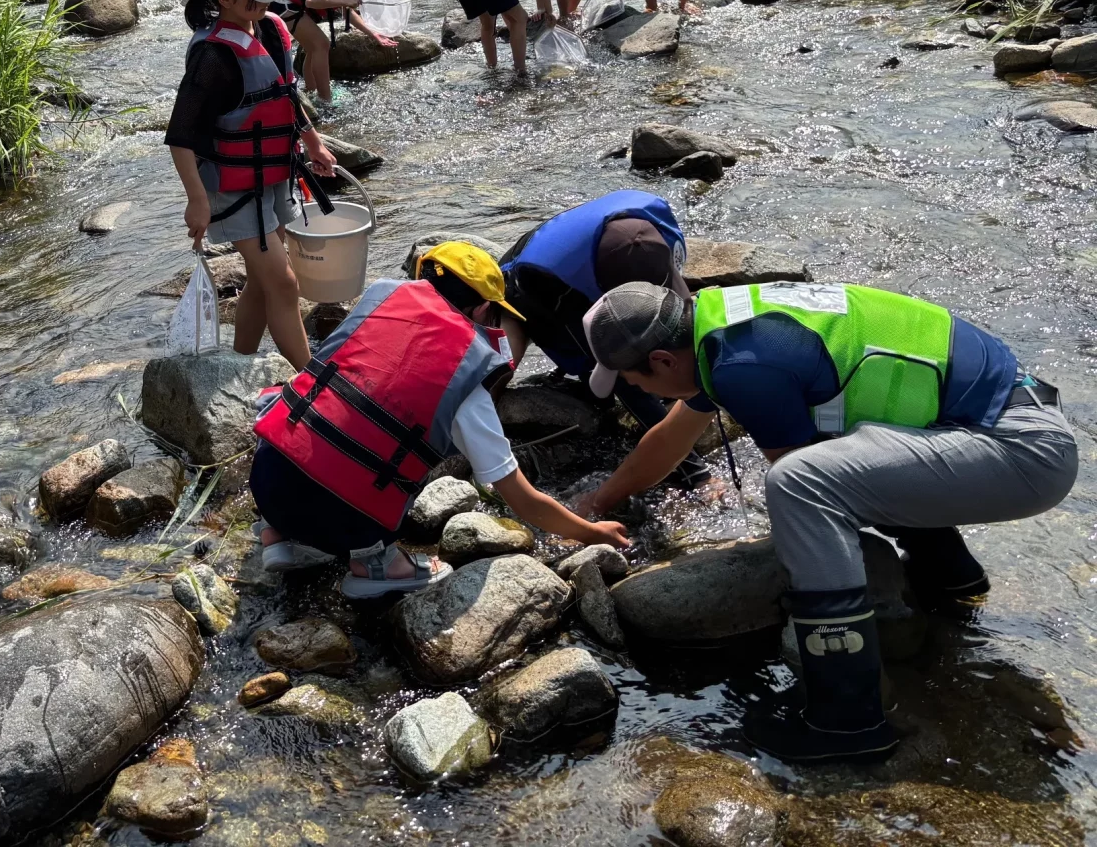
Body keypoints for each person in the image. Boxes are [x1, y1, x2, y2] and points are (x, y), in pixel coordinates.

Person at [577, 279, 1077, 763]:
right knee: (839, 466)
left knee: (800, 483)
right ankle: (952, 579)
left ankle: (847, 717)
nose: (642, 390)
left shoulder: (743, 364)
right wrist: (599, 503)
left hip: (1021, 452)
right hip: (1008, 420)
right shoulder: (723, 325)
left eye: (636, 380)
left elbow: (810, 487)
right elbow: (671, 438)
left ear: (663, 360)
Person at [253, 241, 631, 599]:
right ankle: (375, 565)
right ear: (483, 311)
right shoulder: (464, 383)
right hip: (347, 523)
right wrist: (590, 532)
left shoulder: (376, 307)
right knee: (396, 466)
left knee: (300, 405)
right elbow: (523, 500)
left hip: (267, 481)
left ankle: (279, 536)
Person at [166, 0, 337, 371]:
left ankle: (240, 360)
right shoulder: (212, 56)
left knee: (264, 283)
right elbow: (180, 134)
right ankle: (311, 380)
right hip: (232, 186)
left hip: (274, 172)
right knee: (283, 282)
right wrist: (196, 199)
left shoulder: (269, 29)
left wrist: (312, 139)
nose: (264, 0)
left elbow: (284, 93)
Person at [498, 190, 710, 488]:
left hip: (574, 254)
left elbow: (686, 316)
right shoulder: (562, 289)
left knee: (670, 333)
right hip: (532, 284)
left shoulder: (655, 233)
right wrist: (697, 472)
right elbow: (624, 371)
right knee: (610, 378)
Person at [275, 0, 394, 109]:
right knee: (321, 45)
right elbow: (312, 0)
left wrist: (373, 34)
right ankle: (326, 102)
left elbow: (345, 10)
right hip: (279, 1)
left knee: (313, 47)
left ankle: (311, 92)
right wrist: (346, 0)